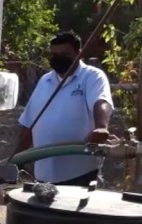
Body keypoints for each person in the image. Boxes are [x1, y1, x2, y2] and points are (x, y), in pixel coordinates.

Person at [15, 31, 116, 186]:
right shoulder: (45, 81)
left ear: (78, 53)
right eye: (54, 54)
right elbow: (30, 122)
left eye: (65, 54)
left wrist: (101, 127)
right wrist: (15, 160)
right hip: (42, 177)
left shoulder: (92, 76)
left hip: (80, 176)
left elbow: (101, 101)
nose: (58, 58)